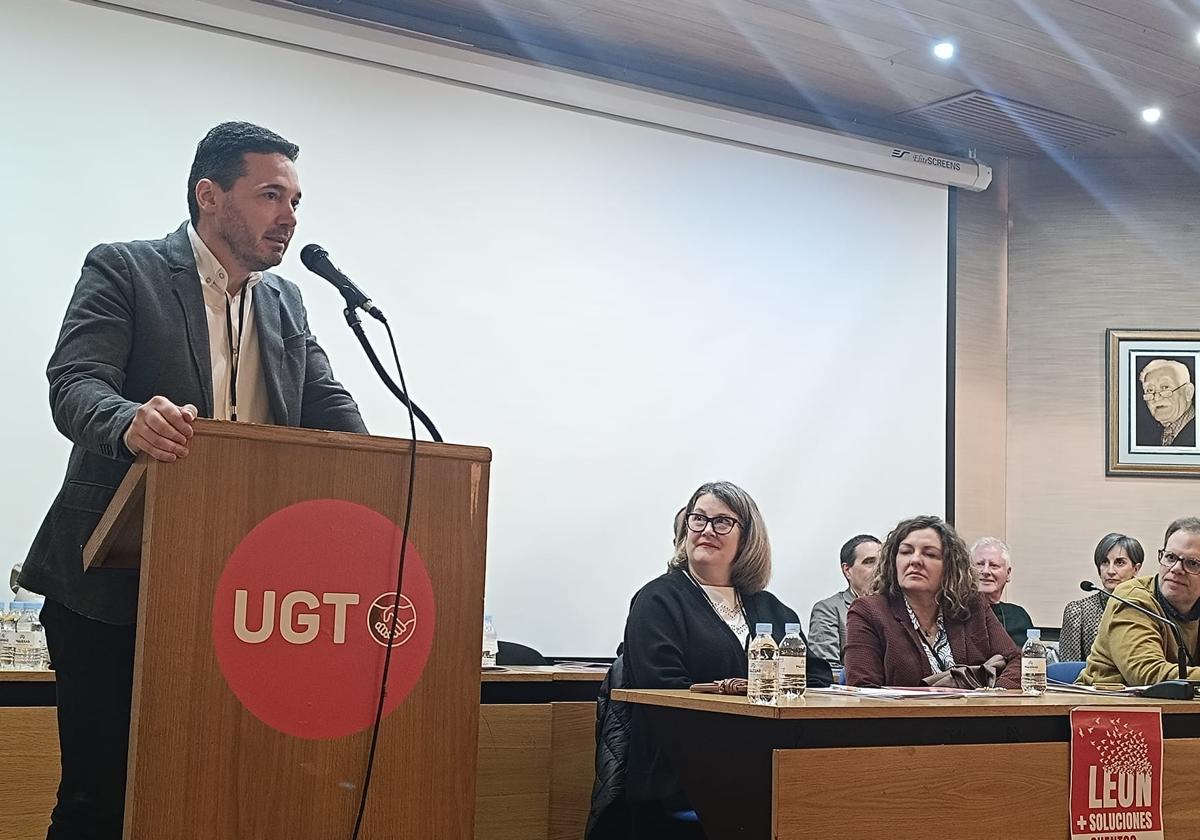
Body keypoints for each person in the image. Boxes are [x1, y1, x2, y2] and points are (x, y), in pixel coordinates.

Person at [19, 122, 367, 840]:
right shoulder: (126, 268)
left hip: (243, 597)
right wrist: (128, 421)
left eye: (297, 198)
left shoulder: (285, 303)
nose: (291, 216)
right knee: (101, 803)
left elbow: (326, 406)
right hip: (112, 588)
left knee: (213, 794)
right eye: (271, 194)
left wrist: (393, 467)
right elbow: (74, 382)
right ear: (210, 196)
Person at [621, 481, 832, 837]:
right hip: (683, 771)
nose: (706, 530)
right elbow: (663, 689)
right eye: (698, 519)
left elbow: (816, 677)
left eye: (722, 522)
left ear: (747, 538)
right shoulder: (658, 599)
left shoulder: (769, 607)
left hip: (765, 761)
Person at [844, 515, 1021, 688]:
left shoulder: (971, 606)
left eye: (929, 554)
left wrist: (993, 698)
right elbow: (863, 689)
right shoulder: (868, 611)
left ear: (949, 566)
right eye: (906, 552)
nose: (915, 560)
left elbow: (1019, 661)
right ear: (893, 561)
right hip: (903, 717)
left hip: (975, 715)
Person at [1079, 517, 1200, 686]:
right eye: (1170, 557)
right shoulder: (1132, 598)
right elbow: (1146, 673)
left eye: (1192, 563)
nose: (1176, 569)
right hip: (1105, 704)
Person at [1058, 533, 1145, 661]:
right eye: (1104, 562)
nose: (1110, 570)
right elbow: (1069, 670)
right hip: (1091, 680)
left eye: (1119, 563)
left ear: (1136, 569)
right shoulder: (1078, 611)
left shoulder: (1147, 608)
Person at [808, 534, 880, 667]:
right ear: (847, 570)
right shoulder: (829, 610)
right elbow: (826, 670)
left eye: (883, 563)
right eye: (869, 562)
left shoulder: (899, 607)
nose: (879, 569)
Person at [969, 537, 1035, 647]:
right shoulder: (956, 613)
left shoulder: (1018, 616)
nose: (985, 571)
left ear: (1008, 574)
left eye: (993, 565)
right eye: (980, 564)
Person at [1137, 359, 1196, 447]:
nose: (1156, 398)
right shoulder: (1146, 436)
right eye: (1149, 390)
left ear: (1188, 392)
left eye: (1165, 387)